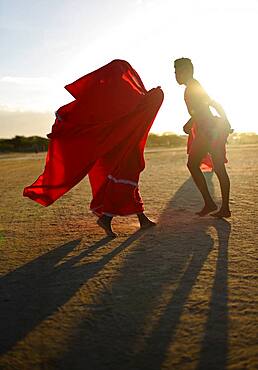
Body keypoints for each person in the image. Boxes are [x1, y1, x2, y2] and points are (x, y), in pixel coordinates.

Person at [23, 60, 164, 237]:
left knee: (128, 182)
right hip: (119, 149)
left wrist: (151, 96)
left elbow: (144, 105)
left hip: (123, 147)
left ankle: (140, 219)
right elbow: (145, 105)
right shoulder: (113, 101)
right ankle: (106, 218)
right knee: (124, 182)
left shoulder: (120, 100)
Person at [174, 57, 232, 218]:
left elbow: (212, 104)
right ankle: (219, 206)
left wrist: (226, 122)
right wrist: (191, 122)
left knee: (195, 164)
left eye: (176, 71)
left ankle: (211, 203)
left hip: (209, 131)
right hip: (209, 130)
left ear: (185, 71)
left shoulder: (193, 85)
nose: (175, 75)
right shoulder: (192, 86)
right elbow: (203, 108)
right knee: (217, 167)